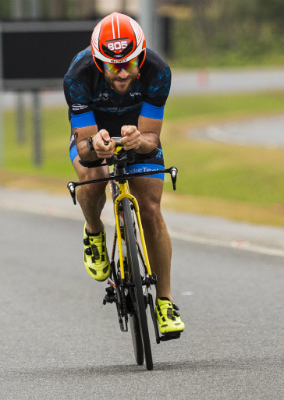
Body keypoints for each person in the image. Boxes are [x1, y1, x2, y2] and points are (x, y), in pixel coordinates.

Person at [63, 12, 184, 336]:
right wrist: (96, 144)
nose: (122, 74)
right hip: (94, 133)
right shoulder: (78, 75)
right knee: (92, 181)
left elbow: (151, 138)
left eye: (129, 64)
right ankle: (93, 231)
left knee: (151, 208)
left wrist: (138, 141)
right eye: (113, 66)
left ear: (140, 57)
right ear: (98, 61)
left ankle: (165, 303)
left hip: (138, 131)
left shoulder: (158, 71)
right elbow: (84, 147)